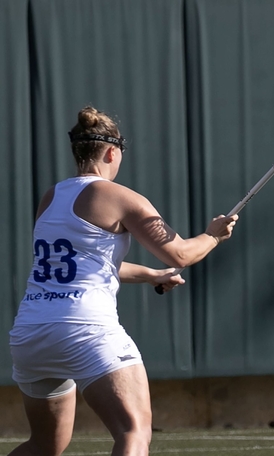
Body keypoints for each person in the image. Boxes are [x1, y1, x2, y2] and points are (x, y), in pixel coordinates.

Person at [8, 106, 238, 456]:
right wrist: (213, 236)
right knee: (134, 431)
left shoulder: (51, 197)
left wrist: (151, 275)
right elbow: (181, 254)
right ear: (112, 152)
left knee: (44, 445)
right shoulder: (121, 197)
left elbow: (84, 265)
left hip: (31, 334)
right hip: (85, 329)